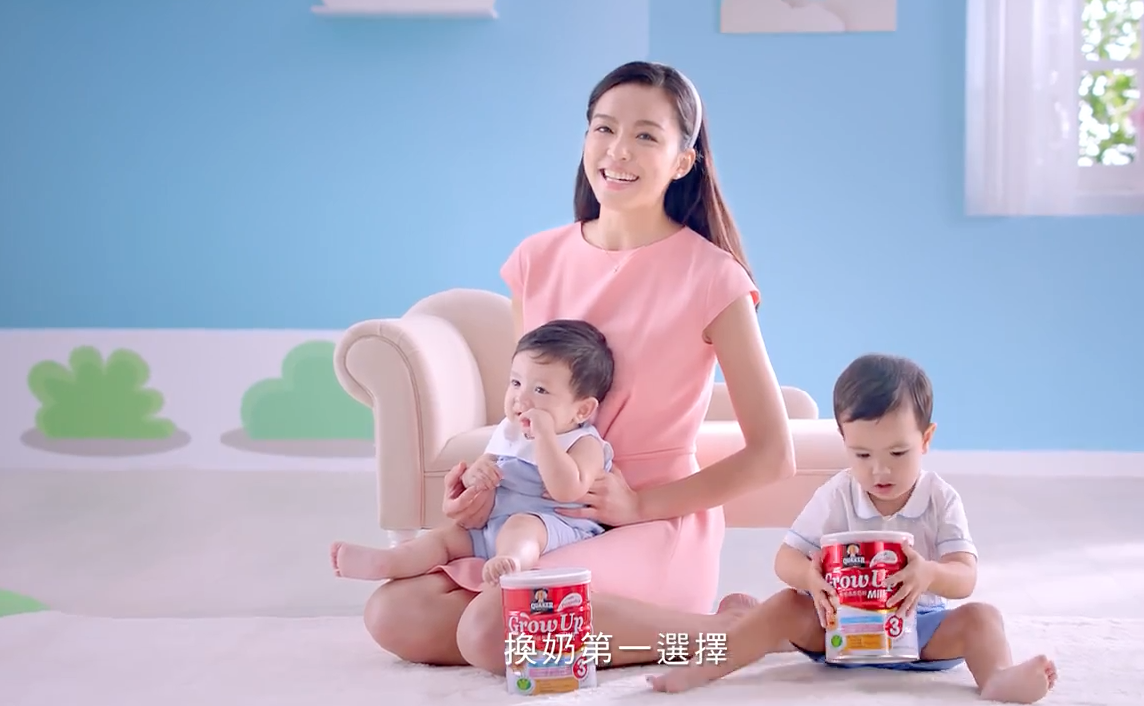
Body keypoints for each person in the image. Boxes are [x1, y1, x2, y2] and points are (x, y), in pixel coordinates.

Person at [357, 60, 797, 673]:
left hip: (653, 523)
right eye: (604, 128)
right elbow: (528, 407)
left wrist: (639, 506)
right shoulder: (537, 259)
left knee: (494, 625)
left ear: (683, 161)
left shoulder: (714, 278)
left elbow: (773, 455)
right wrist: (486, 485)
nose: (618, 150)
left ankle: (731, 634)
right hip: (542, 518)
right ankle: (721, 628)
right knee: (396, 613)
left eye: (646, 135)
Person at [648, 354, 1059, 704]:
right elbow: (785, 559)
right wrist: (810, 576)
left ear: (926, 440)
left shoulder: (940, 498)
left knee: (983, 617)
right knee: (784, 604)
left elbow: (965, 576)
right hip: (839, 628)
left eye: (898, 453)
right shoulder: (837, 493)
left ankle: (997, 677)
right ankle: (703, 669)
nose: (880, 470)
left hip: (918, 630)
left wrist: (930, 573)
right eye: (862, 454)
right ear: (843, 440)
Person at [329, 319, 617, 586]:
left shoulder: (583, 442)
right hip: (492, 525)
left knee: (522, 526)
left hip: (552, 528)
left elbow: (567, 490)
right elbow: (485, 465)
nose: (521, 397)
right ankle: (388, 562)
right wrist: (475, 476)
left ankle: (513, 563)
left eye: (540, 390)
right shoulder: (510, 430)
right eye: (516, 383)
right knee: (443, 537)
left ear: (582, 410)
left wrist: (545, 437)